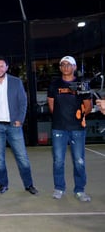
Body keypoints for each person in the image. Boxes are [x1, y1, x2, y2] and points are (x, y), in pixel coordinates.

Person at [0, 57, 38, 195]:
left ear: (7, 67)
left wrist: (20, 119)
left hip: (14, 126)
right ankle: (3, 184)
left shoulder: (16, 82)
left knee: (22, 157)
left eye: (1, 66)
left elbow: (23, 103)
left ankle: (29, 185)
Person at [47, 56, 92, 202]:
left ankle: (80, 190)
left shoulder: (82, 84)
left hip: (78, 128)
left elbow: (88, 106)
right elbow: (52, 106)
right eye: (63, 64)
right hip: (59, 128)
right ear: (60, 67)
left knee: (79, 160)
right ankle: (59, 188)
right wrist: (62, 117)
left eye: (69, 64)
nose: (66, 67)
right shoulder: (54, 84)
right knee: (58, 160)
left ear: (74, 67)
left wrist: (80, 115)